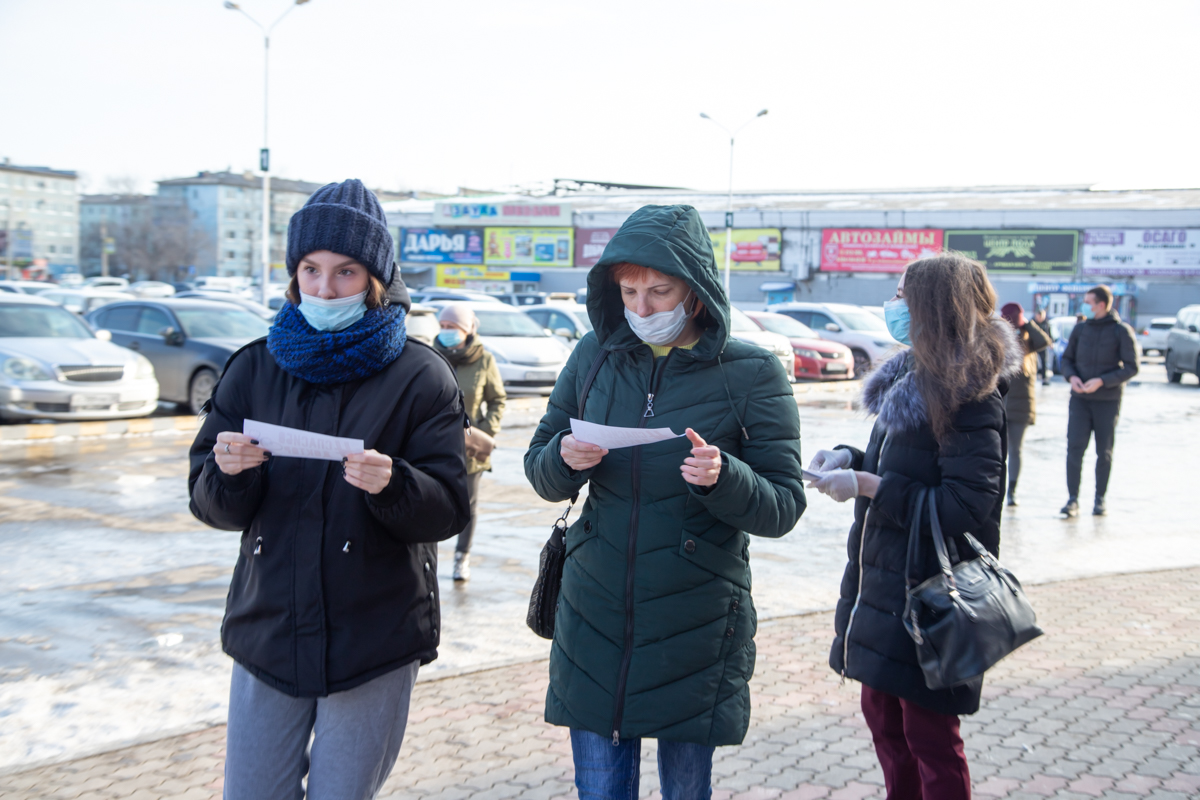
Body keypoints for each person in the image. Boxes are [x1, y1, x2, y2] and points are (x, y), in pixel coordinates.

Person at [188, 179, 470, 800]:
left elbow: (450, 505)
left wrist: (394, 484)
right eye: (310, 270)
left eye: (345, 272)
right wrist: (230, 474)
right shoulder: (253, 366)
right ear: (293, 276)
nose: (323, 288)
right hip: (269, 628)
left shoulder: (421, 376)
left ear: (374, 279)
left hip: (375, 635)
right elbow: (207, 501)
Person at [524, 204, 806, 799]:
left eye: (659, 291)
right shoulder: (592, 355)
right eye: (629, 292)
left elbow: (783, 505)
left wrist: (724, 476)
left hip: (695, 619)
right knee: (600, 788)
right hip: (594, 612)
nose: (642, 308)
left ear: (696, 292)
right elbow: (540, 468)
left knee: (685, 790)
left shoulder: (752, 372)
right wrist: (563, 460)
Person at [807, 254, 1022, 800]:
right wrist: (849, 458)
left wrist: (869, 487)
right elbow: (902, 461)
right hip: (883, 581)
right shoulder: (910, 370)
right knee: (884, 719)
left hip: (929, 594)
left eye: (903, 296)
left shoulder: (971, 388)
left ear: (935, 305)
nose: (893, 306)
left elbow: (967, 506)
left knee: (929, 736)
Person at [435, 303, 506, 581]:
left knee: (467, 505)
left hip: (470, 447)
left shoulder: (484, 360)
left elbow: (497, 400)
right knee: (429, 500)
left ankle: (461, 557)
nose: (446, 332)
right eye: (442, 326)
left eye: (452, 327)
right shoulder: (430, 356)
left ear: (467, 330)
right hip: (434, 444)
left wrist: (485, 433)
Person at [1058, 285, 1138, 517]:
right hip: (1079, 400)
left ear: (1101, 305)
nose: (1084, 306)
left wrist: (1102, 381)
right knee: (1074, 448)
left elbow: (1132, 367)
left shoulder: (1121, 331)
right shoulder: (1080, 329)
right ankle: (1072, 499)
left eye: (1088, 302)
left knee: (1104, 452)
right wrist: (1072, 377)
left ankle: (1099, 499)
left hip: (1107, 400)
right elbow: (1067, 360)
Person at [1000, 302, 1052, 506]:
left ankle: (1012, 490)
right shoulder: (1000, 337)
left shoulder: (1028, 339)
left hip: (1022, 405)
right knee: (998, 451)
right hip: (1000, 404)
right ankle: (998, 488)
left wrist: (1027, 324)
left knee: (1015, 449)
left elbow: (1045, 341)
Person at [1031, 307, 1053, 385]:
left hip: (1043, 345)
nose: (1041, 318)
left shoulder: (1046, 322)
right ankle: (1033, 377)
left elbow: (1049, 333)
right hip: (1033, 345)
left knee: (1044, 362)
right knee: (1034, 362)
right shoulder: (1032, 322)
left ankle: (1044, 378)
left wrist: (1051, 342)